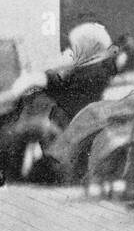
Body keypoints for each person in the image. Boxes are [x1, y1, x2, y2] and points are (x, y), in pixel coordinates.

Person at [0, 22, 120, 183]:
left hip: (68, 123)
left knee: (13, 132)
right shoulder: (95, 66)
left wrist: (43, 80)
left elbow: (66, 92)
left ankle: (13, 179)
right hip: (70, 119)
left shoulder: (93, 71)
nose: (71, 49)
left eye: (76, 45)